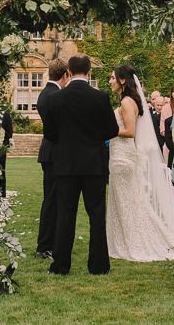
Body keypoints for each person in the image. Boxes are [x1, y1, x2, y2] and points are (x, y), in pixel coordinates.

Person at [43, 54, 119, 275]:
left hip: (65, 166)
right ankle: (98, 266)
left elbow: (50, 133)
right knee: (96, 215)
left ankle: (60, 265)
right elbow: (112, 131)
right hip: (93, 165)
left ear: (68, 72)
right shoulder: (100, 98)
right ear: (89, 72)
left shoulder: (55, 99)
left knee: (65, 214)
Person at [106, 65, 174, 261]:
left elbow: (130, 132)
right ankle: (127, 239)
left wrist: (107, 130)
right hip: (122, 155)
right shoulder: (129, 100)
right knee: (128, 201)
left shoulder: (127, 102)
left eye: (112, 78)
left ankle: (136, 241)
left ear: (123, 80)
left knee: (128, 202)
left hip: (123, 156)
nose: (110, 81)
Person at [35, 58, 70, 260]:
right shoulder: (56, 95)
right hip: (56, 153)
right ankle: (45, 245)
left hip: (50, 152)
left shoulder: (45, 93)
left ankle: (50, 242)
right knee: (52, 200)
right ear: (65, 75)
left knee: (52, 199)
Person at [0, 110, 14, 197]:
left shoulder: (5, 114)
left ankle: (1, 192)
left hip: (1, 147)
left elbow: (9, 132)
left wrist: (4, 144)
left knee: (1, 170)